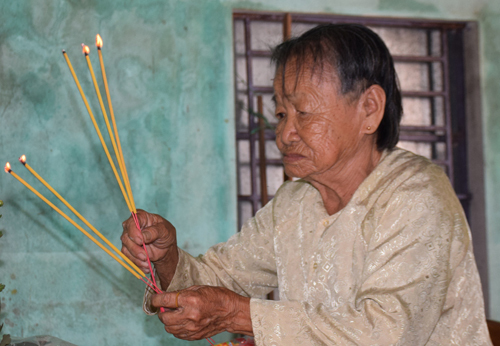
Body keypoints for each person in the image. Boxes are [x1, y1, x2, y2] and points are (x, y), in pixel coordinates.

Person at [121, 24, 492, 345]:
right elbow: (221, 280)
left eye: (304, 112)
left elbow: (385, 334)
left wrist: (238, 315)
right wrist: (165, 258)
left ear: (369, 109)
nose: (285, 133)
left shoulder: (417, 195)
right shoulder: (295, 201)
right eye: (281, 113)